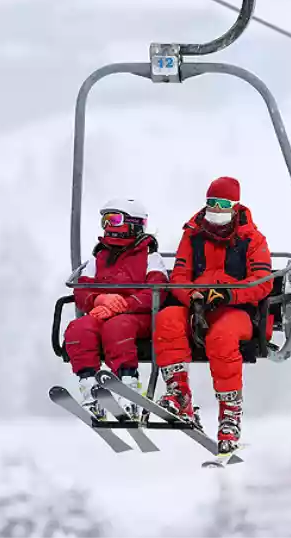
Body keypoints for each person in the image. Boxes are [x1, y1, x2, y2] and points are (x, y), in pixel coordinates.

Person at [154, 176, 273, 454]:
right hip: (198, 305)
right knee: (168, 319)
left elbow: (262, 281)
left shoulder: (252, 239)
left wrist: (229, 294)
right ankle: (179, 394)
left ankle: (230, 415)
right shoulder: (193, 234)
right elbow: (180, 276)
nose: (215, 210)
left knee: (222, 336)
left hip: (236, 309)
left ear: (234, 206)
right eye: (210, 203)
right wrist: (191, 294)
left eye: (221, 204)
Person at [64, 198, 168, 420]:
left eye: (115, 219)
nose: (108, 225)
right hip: (102, 312)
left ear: (133, 223)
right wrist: (99, 299)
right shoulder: (99, 257)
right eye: (105, 220)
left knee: (117, 327)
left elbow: (156, 292)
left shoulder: (150, 257)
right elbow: (81, 291)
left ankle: (128, 385)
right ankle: (90, 385)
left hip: (138, 317)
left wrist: (123, 305)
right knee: (79, 328)